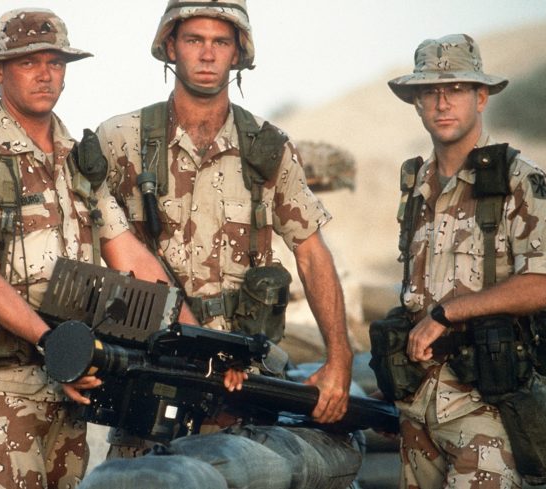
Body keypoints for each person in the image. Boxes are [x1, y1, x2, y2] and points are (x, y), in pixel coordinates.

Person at [94, 0, 360, 484]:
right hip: (148, 370)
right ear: (171, 46)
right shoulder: (121, 139)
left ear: (238, 54)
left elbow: (311, 251)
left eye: (221, 42)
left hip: (241, 383)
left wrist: (339, 359)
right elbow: (88, 245)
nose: (207, 54)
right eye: (194, 40)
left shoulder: (267, 148)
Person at [0, 8, 189, 488]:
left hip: (71, 381)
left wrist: (195, 339)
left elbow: (125, 249)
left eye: (55, 62)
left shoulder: (76, 158)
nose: (45, 74)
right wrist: (56, 347)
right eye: (29, 63)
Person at [381, 34, 546, 488]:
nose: (443, 103)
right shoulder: (415, 186)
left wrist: (448, 314)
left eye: (458, 90)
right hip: (418, 409)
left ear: (481, 97)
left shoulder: (520, 181)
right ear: (417, 103)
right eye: (430, 91)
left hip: (487, 413)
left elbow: (543, 284)